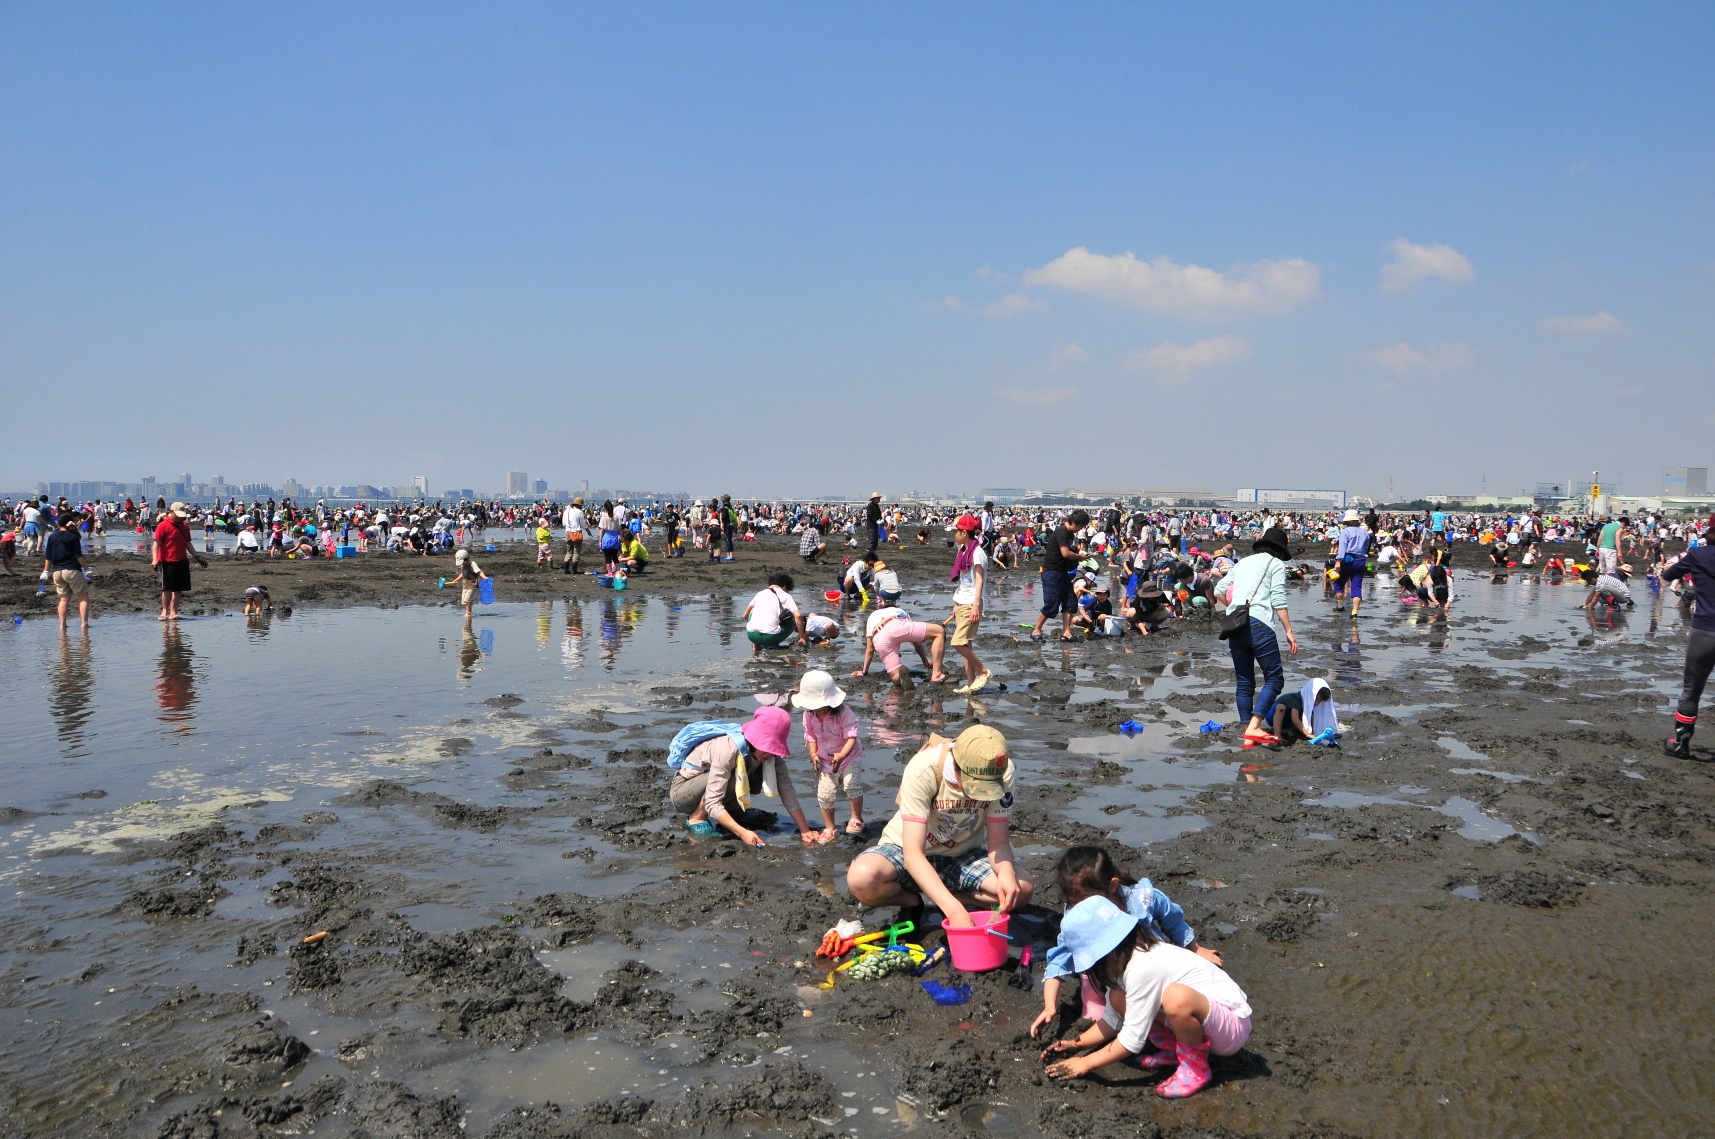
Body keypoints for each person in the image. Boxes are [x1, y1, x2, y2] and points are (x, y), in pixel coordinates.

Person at [1039, 895, 1252, 1098]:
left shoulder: (1142, 967)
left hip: (1231, 1029)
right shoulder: (1128, 959)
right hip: (1209, 1020)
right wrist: (1077, 1044)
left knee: (1176, 998)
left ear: (1105, 954)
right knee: (1117, 998)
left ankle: (1195, 1068)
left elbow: (1132, 1038)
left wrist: (1085, 1063)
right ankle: (1175, 1050)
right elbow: (1113, 1020)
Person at [845, 724, 1032, 929]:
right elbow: (913, 855)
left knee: (1020, 889)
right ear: (956, 766)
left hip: (963, 855)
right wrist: (954, 912)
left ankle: (955, 897)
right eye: (974, 786)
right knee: (862, 878)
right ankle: (912, 902)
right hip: (907, 849)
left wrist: (1005, 872)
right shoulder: (924, 769)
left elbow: (998, 842)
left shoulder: (1003, 772)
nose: (979, 794)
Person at [1030, 846, 1221, 1041]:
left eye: (1086, 900)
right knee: (1098, 1020)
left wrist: (1195, 948)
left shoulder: (1141, 899)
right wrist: (1049, 1005)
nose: (1081, 908)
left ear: (1113, 885)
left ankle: (1162, 1022)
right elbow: (1060, 958)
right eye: (1074, 903)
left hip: (1146, 962)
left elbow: (1171, 917)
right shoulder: (1077, 918)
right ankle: (1098, 1001)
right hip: (1105, 976)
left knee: (1168, 1000)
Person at [669, 707, 817, 847]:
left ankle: (732, 810)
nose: (769, 753)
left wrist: (805, 830)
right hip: (684, 791)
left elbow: (786, 789)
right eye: (765, 747)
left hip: (713, 787)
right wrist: (742, 833)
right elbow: (712, 802)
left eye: (773, 749)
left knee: (752, 774)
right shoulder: (728, 749)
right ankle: (697, 818)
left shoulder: (771, 756)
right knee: (735, 777)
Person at [1220, 526, 1298, 746]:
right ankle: (1255, 726)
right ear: (1280, 550)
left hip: (1236, 624)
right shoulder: (1275, 564)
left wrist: (1235, 608)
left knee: (1245, 681)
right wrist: (1289, 631)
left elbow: (1220, 588)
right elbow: (1279, 600)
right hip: (1260, 624)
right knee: (1274, 678)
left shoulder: (1242, 562)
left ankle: (1248, 732)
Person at [1662, 518, 1715, 760]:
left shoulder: (1698, 555)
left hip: (1705, 630)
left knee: (1691, 690)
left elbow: (1669, 574)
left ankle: (1681, 743)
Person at [794, 669, 866, 842]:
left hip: (849, 756)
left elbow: (851, 737)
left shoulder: (844, 713)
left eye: (818, 706)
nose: (815, 710)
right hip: (825, 759)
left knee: (851, 784)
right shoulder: (808, 715)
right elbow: (810, 735)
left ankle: (856, 818)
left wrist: (842, 754)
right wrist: (813, 754)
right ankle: (830, 827)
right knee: (824, 794)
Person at [852, 602, 947, 687]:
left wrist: (864, 672)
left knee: (895, 677)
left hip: (880, 636)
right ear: (893, 607)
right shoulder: (899, 611)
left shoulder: (872, 615)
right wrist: (925, 661)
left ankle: (899, 676)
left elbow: (870, 649)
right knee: (939, 631)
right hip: (896, 624)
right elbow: (917, 644)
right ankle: (937, 675)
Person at [948, 514, 991, 694]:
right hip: (961, 600)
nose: (954, 535)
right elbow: (964, 580)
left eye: (956, 531)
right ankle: (971, 682)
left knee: (958, 642)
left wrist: (975, 605)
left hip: (971, 602)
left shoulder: (977, 552)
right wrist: (956, 603)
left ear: (964, 532)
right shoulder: (963, 550)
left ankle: (983, 671)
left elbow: (979, 581)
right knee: (966, 644)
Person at [1030, 509, 1087, 643]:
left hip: (1062, 572)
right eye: (1080, 526)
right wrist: (1080, 556)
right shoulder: (1062, 532)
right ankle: (1036, 630)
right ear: (1073, 523)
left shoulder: (1070, 534)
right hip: (1052, 572)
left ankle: (1066, 633)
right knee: (1051, 603)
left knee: (1070, 601)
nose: (1080, 529)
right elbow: (1065, 553)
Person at [151, 502, 206, 621]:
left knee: (178, 588)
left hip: (182, 560)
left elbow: (187, 543)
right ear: (171, 512)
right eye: (178, 515)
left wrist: (197, 556)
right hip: (166, 561)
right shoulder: (163, 526)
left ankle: (173, 612)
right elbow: (156, 544)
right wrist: (155, 559)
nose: (180, 517)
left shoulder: (185, 526)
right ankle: (164, 611)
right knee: (167, 588)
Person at [43, 514, 91, 630]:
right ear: (70, 523)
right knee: (83, 597)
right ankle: (84, 624)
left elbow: (48, 557)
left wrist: (46, 571)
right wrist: (86, 568)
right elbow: (78, 556)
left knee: (63, 599)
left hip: (57, 572)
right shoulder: (73, 537)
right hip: (72, 570)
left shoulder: (52, 537)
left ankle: (62, 625)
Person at [744, 571, 807, 654]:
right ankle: (773, 645)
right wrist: (802, 637)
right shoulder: (785, 595)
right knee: (792, 617)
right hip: (771, 637)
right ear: (784, 587)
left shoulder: (760, 593)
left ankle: (756, 646)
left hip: (751, 635)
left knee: (753, 610)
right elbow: (798, 616)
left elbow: (745, 615)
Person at [1269, 677, 1338, 743]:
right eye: (1316, 699)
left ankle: (1290, 730)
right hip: (1272, 716)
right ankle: (1277, 735)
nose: (1316, 703)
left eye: (1319, 702)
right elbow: (1295, 719)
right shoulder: (1295, 699)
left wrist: (1314, 734)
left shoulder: (1308, 705)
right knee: (1281, 707)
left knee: (1310, 715)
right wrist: (1307, 734)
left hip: (1287, 722)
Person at [1332, 508, 1371, 619]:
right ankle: (1354, 612)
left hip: (1348, 560)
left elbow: (1342, 548)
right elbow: (1366, 547)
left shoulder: (1345, 532)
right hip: (1360, 561)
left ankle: (1340, 606)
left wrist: (1338, 561)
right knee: (1356, 587)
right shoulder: (1365, 533)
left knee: (1339, 584)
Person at [449, 548, 489, 619]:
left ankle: (468, 613)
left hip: (472, 585)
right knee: (464, 600)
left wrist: (484, 577)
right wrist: (456, 580)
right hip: (465, 585)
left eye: (462, 561)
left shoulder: (472, 564)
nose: (461, 563)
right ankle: (468, 611)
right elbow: (463, 574)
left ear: (466, 558)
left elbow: (479, 572)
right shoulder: (462, 565)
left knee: (467, 599)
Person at [561, 496, 587, 575]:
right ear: (579, 505)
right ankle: (574, 570)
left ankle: (566, 569)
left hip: (568, 532)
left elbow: (564, 523)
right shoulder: (579, 512)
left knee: (569, 551)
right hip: (576, 533)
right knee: (576, 552)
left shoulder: (566, 511)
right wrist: (588, 531)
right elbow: (583, 524)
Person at [863, 492, 883, 560]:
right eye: (878, 498)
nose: (879, 499)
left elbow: (878, 514)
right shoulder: (870, 506)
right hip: (871, 525)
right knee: (871, 540)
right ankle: (868, 555)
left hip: (876, 525)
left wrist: (880, 518)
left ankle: (873, 554)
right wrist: (876, 521)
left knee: (875, 541)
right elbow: (869, 516)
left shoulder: (877, 506)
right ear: (874, 499)